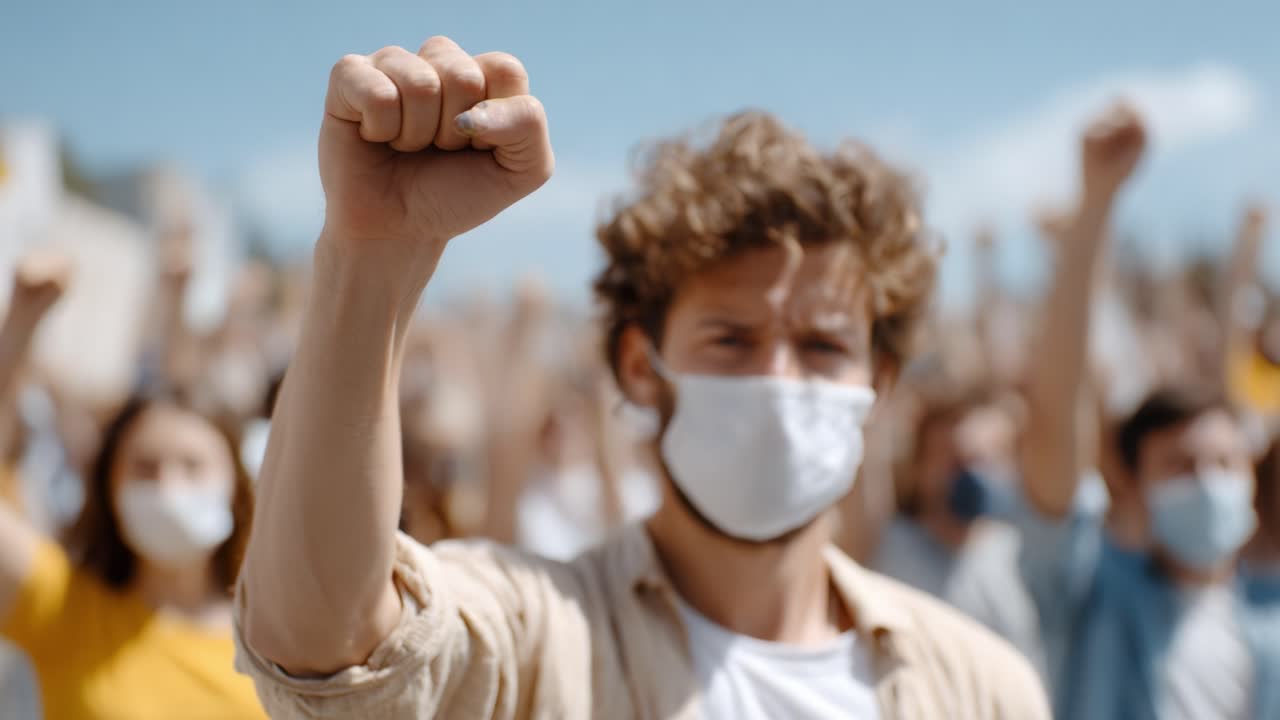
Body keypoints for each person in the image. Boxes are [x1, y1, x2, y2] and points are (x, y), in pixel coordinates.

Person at [235, 35, 1049, 719]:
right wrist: (371, 258)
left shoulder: (982, 688)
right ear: (640, 366)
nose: (777, 376)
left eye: (823, 346)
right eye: (731, 338)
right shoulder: (536, 637)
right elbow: (328, 647)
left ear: (881, 382)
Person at [1014, 102, 1280, 720]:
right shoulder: (1095, 594)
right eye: (1180, 465)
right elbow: (1055, 427)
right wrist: (1094, 210)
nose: (1208, 482)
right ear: (1132, 484)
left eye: (1224, 463)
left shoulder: (1266, 621)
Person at [0, 384, 265, 717]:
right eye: (145, 467)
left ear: (235, 485)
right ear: (109, 486)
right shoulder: (63, 604)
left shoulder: (274, 642)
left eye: (192, 466)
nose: (168, 487)